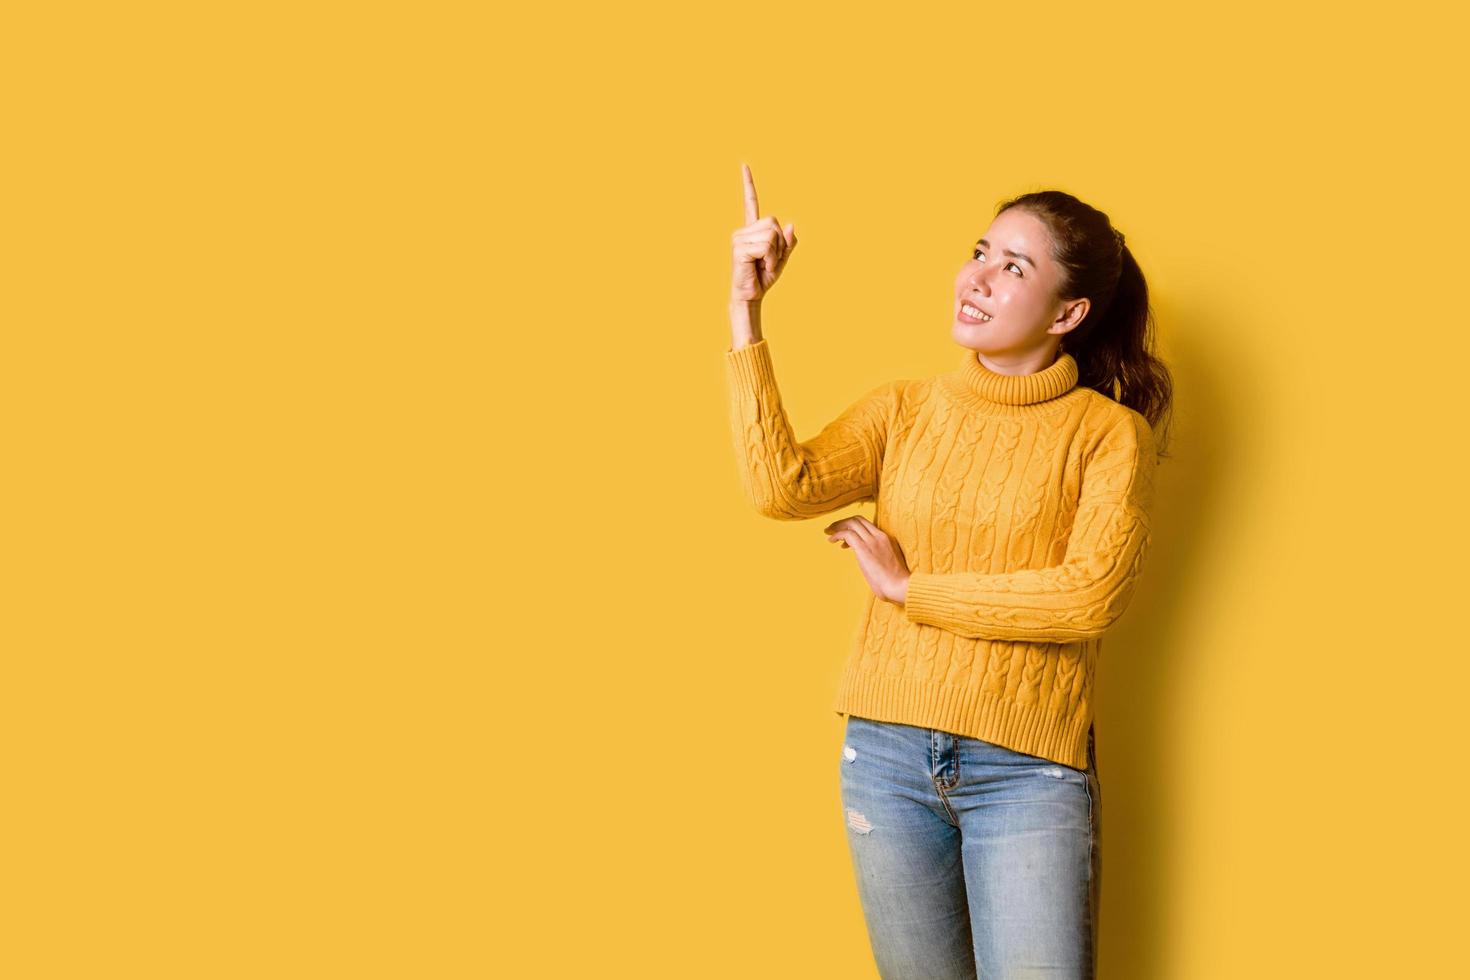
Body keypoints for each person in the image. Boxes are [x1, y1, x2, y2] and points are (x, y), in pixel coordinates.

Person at [723, 163, 1173, 980]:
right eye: (981, 251)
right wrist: (745, 311)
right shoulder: (904, 410)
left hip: (1027, 773)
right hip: (886, 758)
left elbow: (1088, 597)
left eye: (1014, 267)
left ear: (1068, 312)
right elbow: (779, 486)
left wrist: (910, 591)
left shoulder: (1108, 436)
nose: (977, 278)